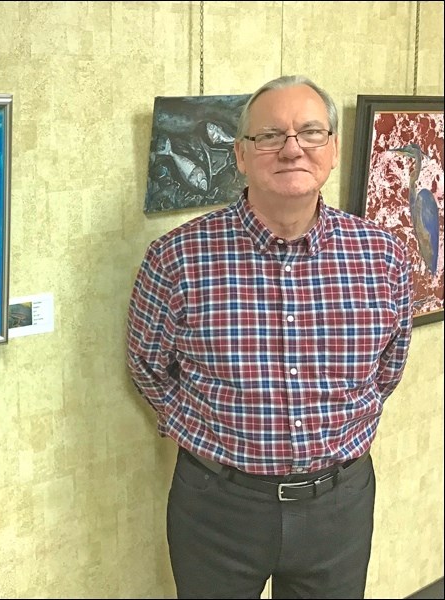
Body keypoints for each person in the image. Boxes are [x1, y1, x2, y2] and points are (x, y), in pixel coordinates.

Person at [126, 74, 413, 599]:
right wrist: (199, 430)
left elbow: (388, 367)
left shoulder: (383, 256)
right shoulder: (177, 258)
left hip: (339, 506)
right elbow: (147, 364)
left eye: (310, 133)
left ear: (331, 150)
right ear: (240, 155)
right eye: (269, 136)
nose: (291, 149)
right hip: (218, 506)